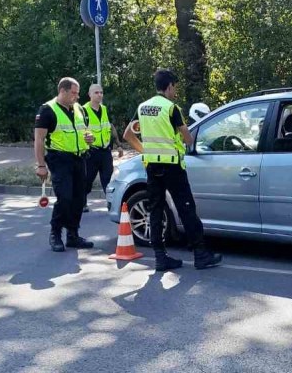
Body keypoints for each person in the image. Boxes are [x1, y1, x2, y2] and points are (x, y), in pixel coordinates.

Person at [123, 69, 222, 272]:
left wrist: (146, 150)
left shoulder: (143, 107)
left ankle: (161, 257)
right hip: (172, 166)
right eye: (174, 87)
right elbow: (188, 138)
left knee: (156, 210)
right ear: (169, 86)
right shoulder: (171, 109)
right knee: (187, 209)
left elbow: (127, 135)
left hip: (152, 166)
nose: (175, 91)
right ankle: (200, 254)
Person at [34, 77, 95, 252]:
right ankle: (55, 233)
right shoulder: (47, 110)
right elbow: (39, 139)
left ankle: (73, 235)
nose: (77, 96)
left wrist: (89, 138)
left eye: (78, 93)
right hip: (59, 159)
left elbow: (84, 131)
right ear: (63, 91)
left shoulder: (79, 109)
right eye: (74, 93)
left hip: (80, 158)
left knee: (79, 198)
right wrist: (40, 165)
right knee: (65, 198)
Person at [81, 83, 124, 213]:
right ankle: (82, 203)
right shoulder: (83, 110)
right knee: (87, 180)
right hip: (90, 151)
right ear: (89, 95)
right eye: (96, 93)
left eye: (101, 92)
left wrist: (119, 145)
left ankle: (111, 203)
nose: (100, 95)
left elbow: (110, 126)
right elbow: (78, 129)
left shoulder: (104, 109)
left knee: (108, 180)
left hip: (105, 151)